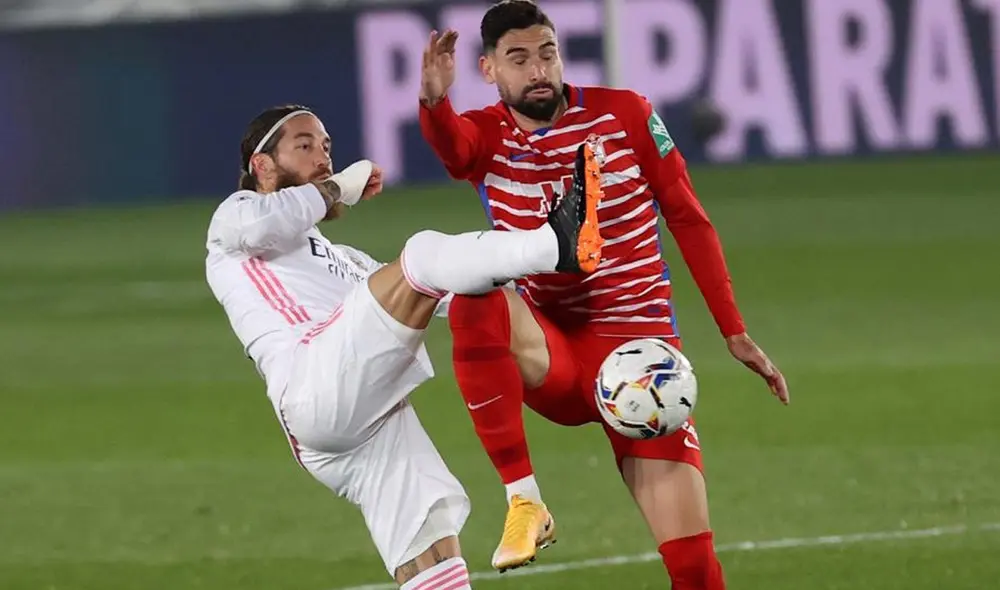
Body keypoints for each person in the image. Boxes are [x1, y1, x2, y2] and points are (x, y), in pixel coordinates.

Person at [416, 1, 790, 587]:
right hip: (554, 354)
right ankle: (524, 500)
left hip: (640, 362)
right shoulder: (486, 136)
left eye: (548, 54)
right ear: (489, 70)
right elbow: (453, 148)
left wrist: (733, 330)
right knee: (475, 297)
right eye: (519, 59)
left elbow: (687, 218)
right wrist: (435, 103)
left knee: (694, 568)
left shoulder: (626, 114)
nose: (539, 71)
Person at [204, 104, 605, 589]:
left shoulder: (342, 259)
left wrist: (540, 310)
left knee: (430, 545)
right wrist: (340, 187)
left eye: (326, 147)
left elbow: (451, 288)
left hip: (359, 422)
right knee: (418, 255)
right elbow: (266, 225)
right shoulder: (235, 217)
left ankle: (552, 248)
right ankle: (551, 245)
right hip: (314, 381)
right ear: (262, 165)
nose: (322, 158)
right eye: (304, 146)